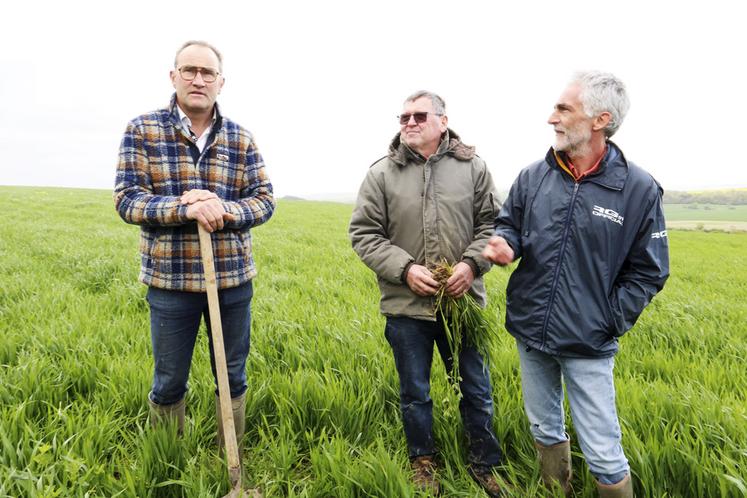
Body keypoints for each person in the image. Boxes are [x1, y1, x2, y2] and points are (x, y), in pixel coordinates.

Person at [483, 71, 669, 498]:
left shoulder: (637, 189)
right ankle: (555, 491)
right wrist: (505, 243)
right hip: (531, 330)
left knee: (603, 451)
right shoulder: (534, 176)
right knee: (543, 425)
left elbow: (649, 271)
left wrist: (606, 320)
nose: (553, 118)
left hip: (589, 339)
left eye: (564, 109)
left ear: (600, 119)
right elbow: (509, 223)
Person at [114, 40, 275, 451]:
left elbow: (264, 199)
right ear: (174, 76)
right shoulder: (143, 129)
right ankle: (168, 461)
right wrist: (184, 206)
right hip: (170, 282)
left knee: (232, 374)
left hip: (232, 280)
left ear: (221, 82)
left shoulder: (240, 138)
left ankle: (231, 461)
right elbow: (127, 199)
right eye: (189, 71)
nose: (198, 80)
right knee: (169, 379)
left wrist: (222, 210)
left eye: (207, 73)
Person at [349, 91, 507, 496]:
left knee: (476, 386)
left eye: (420, 115)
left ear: (442, 120)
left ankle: (485, 464)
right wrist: (405, 269)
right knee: (414, 392)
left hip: (462, 302)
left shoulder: (473, 168)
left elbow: (493, 225)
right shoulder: (381, 173)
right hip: (405, 306)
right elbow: (364, 234)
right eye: (403, 117)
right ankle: (423, 462)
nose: (409, 122)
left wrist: (470, 265)